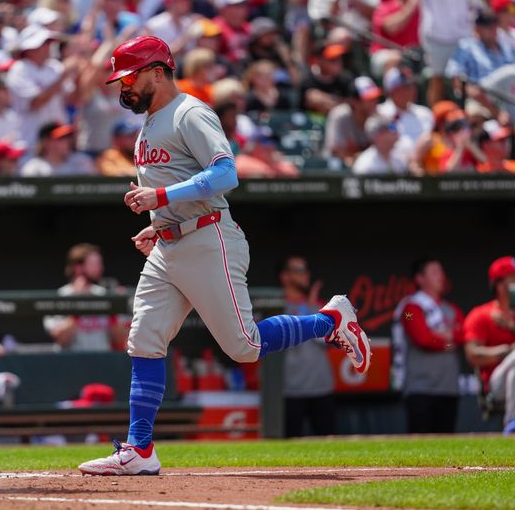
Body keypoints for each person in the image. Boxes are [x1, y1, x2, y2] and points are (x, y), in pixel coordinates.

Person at [78, 36, 371, 476]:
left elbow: (224, 172)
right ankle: (139, 449)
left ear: (158, 71)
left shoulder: (190, 111)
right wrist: (160, 223)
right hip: (171, 243)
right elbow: (178, 184)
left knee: (245, 347)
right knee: (144, 339)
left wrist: (160, 196)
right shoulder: (151, 121)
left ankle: (330, 320)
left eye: (131, 76)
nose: (125, 86)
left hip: (209, 238)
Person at [392, 257, 464, 433]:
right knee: (421, 451)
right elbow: (423, 338)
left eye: (441, 271)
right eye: (434, 272)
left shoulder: (452, 309)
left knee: (448, 449)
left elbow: (464, 334)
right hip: (421, 390)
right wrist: (447, 342)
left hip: (448, 389)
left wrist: (444, 337)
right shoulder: (410, 309)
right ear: (420, 278)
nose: (441, 276)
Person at [278, 255, 336, 438]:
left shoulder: (319, 306)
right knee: (287, 449)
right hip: (288, 389)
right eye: (299, 270)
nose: (305, 275)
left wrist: (311, 308)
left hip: (321, 387)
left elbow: (327, 339)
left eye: (306, 270)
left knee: (329, 447)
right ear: (285, 277)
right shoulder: (275, 306)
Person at [44, 243, 129, 352]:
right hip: (70, 363)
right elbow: (61, 339)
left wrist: (113, 308)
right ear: (78, 267)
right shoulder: (62, 295)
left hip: (102, 362)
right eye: (94, 264)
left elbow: (119, 339)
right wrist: (79, 305)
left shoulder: (103, 294)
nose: (101, 268)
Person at [464, 257, 515, 435]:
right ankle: (512, 422)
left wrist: (511, 326)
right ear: (499, 285)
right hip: (497, 386)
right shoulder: (482, 315)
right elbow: (473, 354)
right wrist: (508, 351)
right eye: (513, 278)